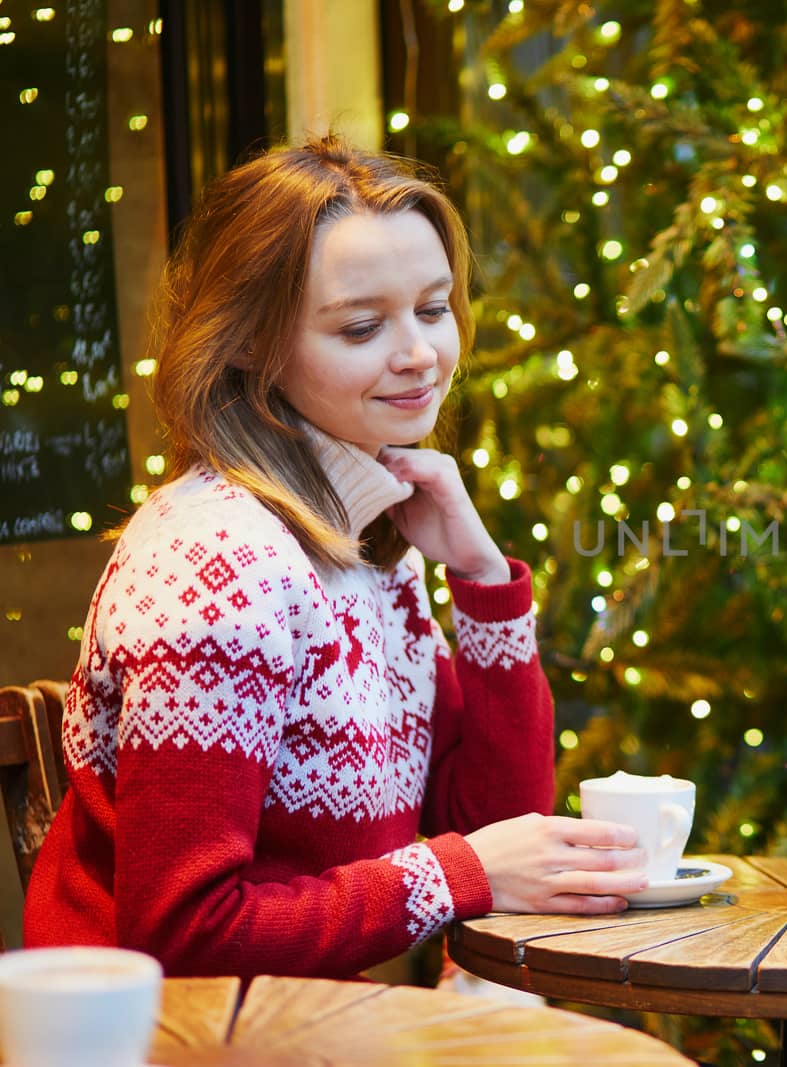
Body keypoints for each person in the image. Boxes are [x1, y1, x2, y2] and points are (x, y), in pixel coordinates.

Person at [24, 135, 649, 978]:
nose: (420, 354)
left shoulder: (365, 542)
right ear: (248, 343)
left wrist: (484, 580)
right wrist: (455, 874)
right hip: (169, 1037)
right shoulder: (218, 567)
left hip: (312, 1018)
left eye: (433, 309)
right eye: (362, 326)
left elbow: (498, 819)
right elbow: (183, 932)